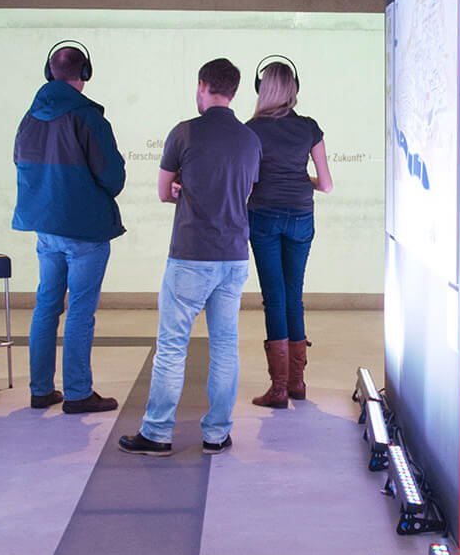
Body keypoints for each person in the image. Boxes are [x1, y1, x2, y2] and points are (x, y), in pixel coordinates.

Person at [119, 58, 263, 456]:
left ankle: (158, 433)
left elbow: (165, 192)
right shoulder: (251, 140)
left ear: (203, 86)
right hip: (234, 256)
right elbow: (245, 193)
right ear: (235, 92)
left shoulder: (184, 133)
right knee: (225, 346)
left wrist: (185, 189)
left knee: (172, 347)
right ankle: (216, 434)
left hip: (191, 255)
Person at [13, 41, 125, 414]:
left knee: (46, 304)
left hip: (46, 229)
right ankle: (77, 393)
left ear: (50, 72)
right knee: (79, 309)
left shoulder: (30, 118)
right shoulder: (88, 118)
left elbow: (21, 164)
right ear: (85, 74)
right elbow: (113, 177)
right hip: (85, 230)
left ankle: (41, 390)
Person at [245, 59, 332, 409]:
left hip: (263, 215)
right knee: (294, 295)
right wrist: (301, 180)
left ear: (261, 88)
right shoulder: (309, 128)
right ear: (294, 88)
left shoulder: (251, 129)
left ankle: (278, 389)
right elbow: (325, 184)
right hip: (301, 216)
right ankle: (297, 383)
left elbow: (248, 181)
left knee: (274, 297)